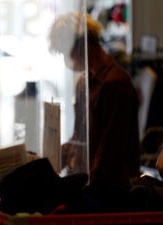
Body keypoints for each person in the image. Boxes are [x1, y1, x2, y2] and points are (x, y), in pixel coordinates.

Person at [48, 12, 140, 188]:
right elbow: (80, 137)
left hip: (111, 191)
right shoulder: (84, 83)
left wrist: (87, 190)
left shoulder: (115, 84)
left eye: (65, 51)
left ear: (82, 44)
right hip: (90, 182)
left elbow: (110, 151)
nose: (67, 59)